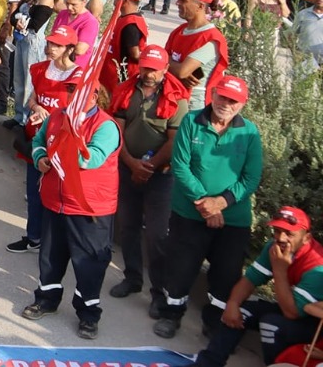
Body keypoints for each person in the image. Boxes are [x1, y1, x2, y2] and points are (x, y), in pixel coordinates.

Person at [155, 75, 265, 340]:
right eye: (223, 97)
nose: (226, 104)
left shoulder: (249, 132)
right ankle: (171, 315)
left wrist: (221, 203)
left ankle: (214, 322)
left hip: (233, 219)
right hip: (189, 213)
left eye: (233, 101)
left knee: (226, 274)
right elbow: (180, 167)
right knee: (181, 267)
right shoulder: (192, 122)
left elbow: (251, 177)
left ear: (242, 105)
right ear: (213, 94)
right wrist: (206, 204)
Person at [19, 80, 121, 340]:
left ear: (96, 96)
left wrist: (60, 149)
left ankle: (88, 315)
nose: (74, 95)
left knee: (89, 264)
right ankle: (46, 300)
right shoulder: (56, 117)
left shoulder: (106, 126)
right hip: (56, 202)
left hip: (90, 208)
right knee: (50, 257)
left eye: (81, 90)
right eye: (71, 90)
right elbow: (40, 141)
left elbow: (92, 158)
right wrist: (41, 157)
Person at [108, 44, 188, 313]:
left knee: (156, 235)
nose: (150, 73)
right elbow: (117, 130)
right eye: (146, 67)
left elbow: (175, 140)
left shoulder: (177, 98)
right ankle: (132, 278)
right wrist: (131, 163)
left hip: (161, 175)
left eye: (155, 69)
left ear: (165, 69)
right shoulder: (126, 91)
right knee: (127, 227)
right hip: (128, 166)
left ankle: (158, 292)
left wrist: (149, 166)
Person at [190, 206, 323, 367]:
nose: (281, 238)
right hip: (292, 305)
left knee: (271, 324)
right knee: (240, 310)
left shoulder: (317, 266)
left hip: (313, 324)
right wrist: (232, 304)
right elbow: (250, 280)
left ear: (306, 238)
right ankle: (207, 364)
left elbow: (292, 313)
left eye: (289, 234)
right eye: (277, 231)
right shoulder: (274, 248)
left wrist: (280, 271)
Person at [6, 24, 82, 254]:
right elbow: (32, 99)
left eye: (57, 45)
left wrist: (58, 117)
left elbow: (80, 110)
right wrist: (37, 106)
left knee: (56, 193)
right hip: (37, 137)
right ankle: (34, 236)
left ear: (69, 49)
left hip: (62, 141)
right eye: (50, 43)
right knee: (33, 190)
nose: (50, 48)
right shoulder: (40, 69)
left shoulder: (78, 76)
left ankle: (56, 242)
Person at [165, 0, 229, 111]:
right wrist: (172, 66)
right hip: (171, 97)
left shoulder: (212, 39)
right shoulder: (180, 30)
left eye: (184, 0)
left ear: (200, 6)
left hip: (193, 106)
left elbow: (183, 72)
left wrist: (168, 65)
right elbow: (163, 58)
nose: (178, 3)